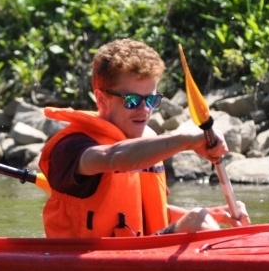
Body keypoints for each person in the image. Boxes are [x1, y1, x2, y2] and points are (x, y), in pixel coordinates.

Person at [38, 38, 250, 238]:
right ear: (102, 99)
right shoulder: (72, 147)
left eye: (151, 100)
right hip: (91, 262)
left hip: (139, 253)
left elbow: (151, 212)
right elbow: (114, 156)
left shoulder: (149, 145)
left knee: (201, 216)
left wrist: (214, 214)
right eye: (132, 100)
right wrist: (185, 140)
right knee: (198, 220)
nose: (144, 110)